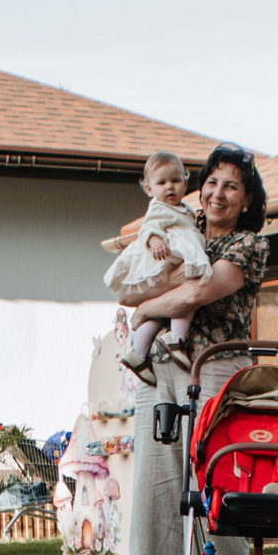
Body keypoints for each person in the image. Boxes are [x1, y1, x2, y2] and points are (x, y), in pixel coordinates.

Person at [124, 144, 270, 555]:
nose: (217, 193)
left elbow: (194, 294)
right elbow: (129, 284)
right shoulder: (174, 230)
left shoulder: (248, 246)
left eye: (231, 185)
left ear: (247, 199)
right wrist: (144, 304)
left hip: (217, 370)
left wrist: (145, 310)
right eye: (210, 182)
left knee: (216, 491)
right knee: (156, 491)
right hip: (163, 368)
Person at [106, 152, 212, 382]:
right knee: (182, 302)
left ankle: (138, 354)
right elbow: (147, 228)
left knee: (157, 314)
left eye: (175, 181)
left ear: (185, 182)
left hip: (174, 259)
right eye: (161, 182)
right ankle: (177, 339)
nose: (169, 187)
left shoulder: (186, 210)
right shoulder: (158, 207)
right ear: (149, 188)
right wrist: (154, 240)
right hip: (165, 259)